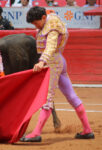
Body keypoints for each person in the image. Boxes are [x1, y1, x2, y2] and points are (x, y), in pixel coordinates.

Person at [20, 6, 95, 142]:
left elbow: (51, 46)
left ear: (43, 17)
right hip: (58, 60)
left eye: (36, 23)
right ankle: (87, 130)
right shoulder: (49, 22)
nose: (35, 26)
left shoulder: (52, 25)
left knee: (48, 98)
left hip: (53, 62)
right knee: (71, 96)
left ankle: (36, 132)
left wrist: (42, 61)